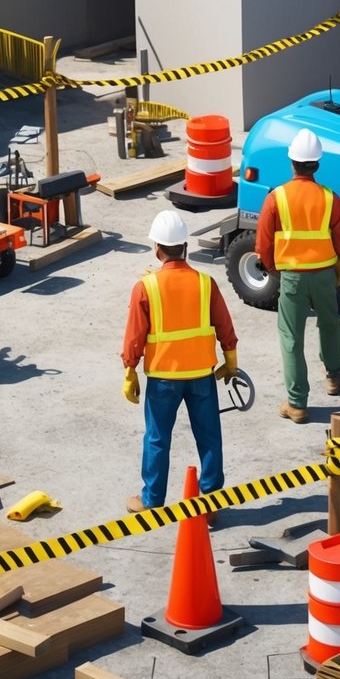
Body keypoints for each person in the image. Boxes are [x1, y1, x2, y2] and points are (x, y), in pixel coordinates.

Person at [122, 210, 238, 517]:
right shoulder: (205, 283)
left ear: (157, 248)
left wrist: (130, 371)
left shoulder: (145, 287)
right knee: (209, 435)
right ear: (184, 246)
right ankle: (210, 503)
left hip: (163, 377)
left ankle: (151, 501)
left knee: (158, 438)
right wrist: (230, 360)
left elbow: (135, 335)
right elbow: (225, 326)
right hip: (201, 374)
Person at [255, 128, 340, 424]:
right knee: (330, 324)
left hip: (292, 277)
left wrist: (272, 268)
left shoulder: (276, 198)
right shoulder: (331, 198)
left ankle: (297, 404)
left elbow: (263, 243)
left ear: (291, 162)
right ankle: (334, 377)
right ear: (317, 164)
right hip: (323, 273)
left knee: (291, 338)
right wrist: (339, 268)